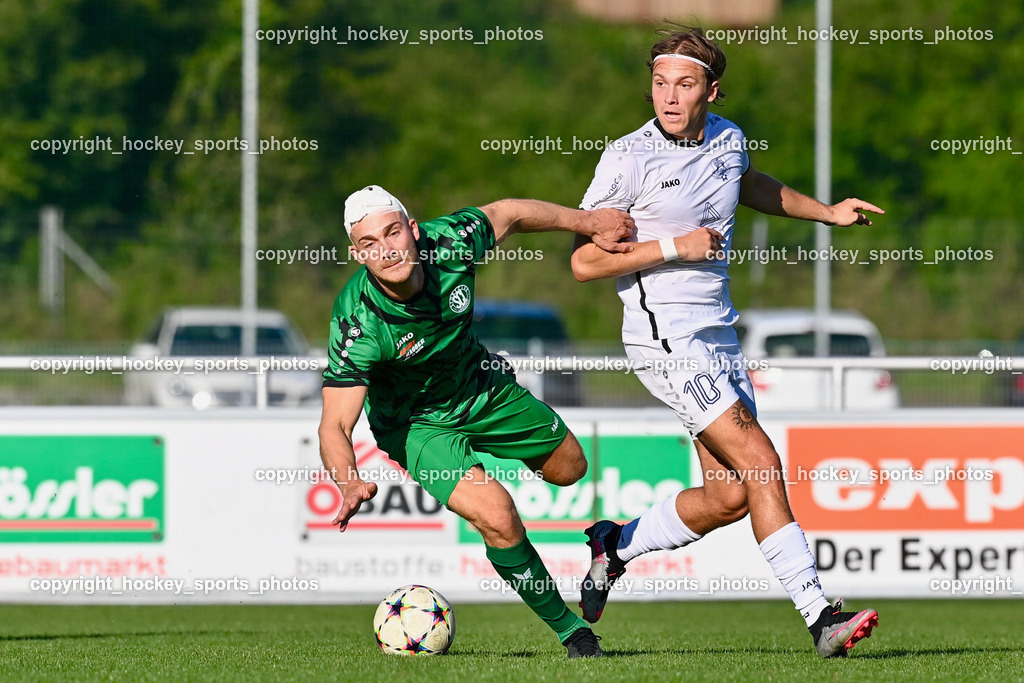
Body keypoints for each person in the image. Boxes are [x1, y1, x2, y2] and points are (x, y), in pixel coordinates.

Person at [570, 27, 883, 658]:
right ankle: (820, 616)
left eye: (684, 84)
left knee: (730, 495)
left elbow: (750, 183)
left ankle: (615, 544)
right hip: (665, 338)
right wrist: (673, 246)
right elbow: (583, 262)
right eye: (660, 82)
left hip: (717, 333)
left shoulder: (729, 138)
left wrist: (826, 212)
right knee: (762, 457)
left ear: (711, 90)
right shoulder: (627, 158)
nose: (669, 96)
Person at [318, 185, 633, 658]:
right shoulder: (359, 323)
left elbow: (510, 213)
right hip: (419, 426)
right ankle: (574, 633)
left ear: (413, 231)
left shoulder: (451, 241)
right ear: (357, 254)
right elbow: (334, 426)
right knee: (499, 517)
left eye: (392, 232)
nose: (386, 249)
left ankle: (608, 540)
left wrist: (588, 223)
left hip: (481, 386)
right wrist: (348, 481)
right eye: (369, 243)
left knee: (571, 469)